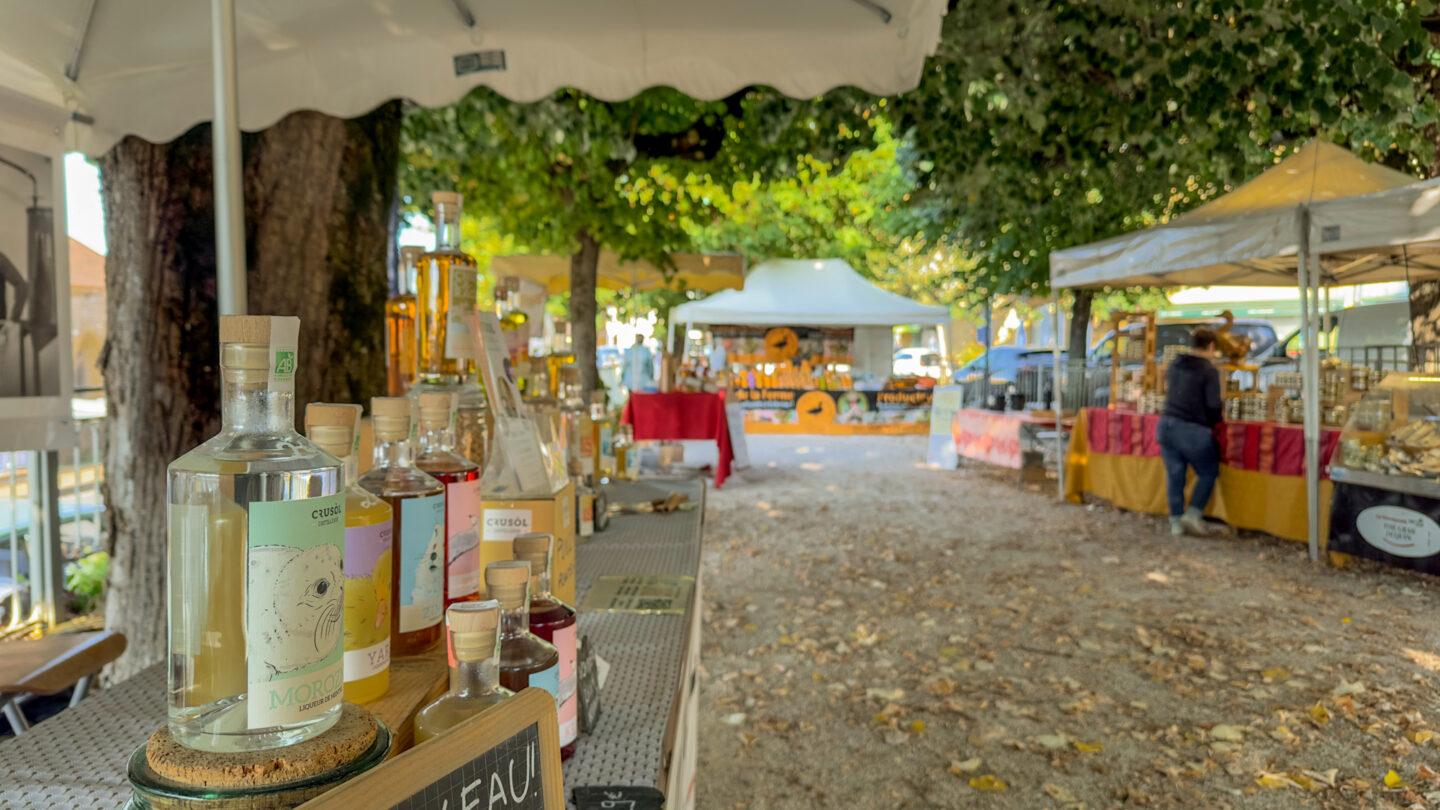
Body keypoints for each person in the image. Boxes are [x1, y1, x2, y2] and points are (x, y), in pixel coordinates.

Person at [1157, 327, 1222, 536]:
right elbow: (1213, 405)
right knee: (1208, 472)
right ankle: (1193, 515)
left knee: (1175, 474)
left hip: (1166, 424)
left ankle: (1175, 521)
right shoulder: (1208, 370)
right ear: (1211, 347)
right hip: (1193, 429)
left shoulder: (1175, 363)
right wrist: (1217, 420)